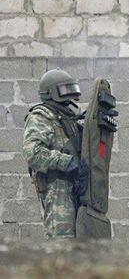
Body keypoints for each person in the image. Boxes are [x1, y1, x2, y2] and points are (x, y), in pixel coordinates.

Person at [22, 69, 89, 239]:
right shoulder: (42, 116)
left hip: (77, 186)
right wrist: (68, 163)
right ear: (51, 92)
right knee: (62, 242)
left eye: (71, 88)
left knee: (83, 242)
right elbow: (33, 153)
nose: (70, 93)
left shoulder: (69, 115)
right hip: (56, 189)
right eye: (65, 89)